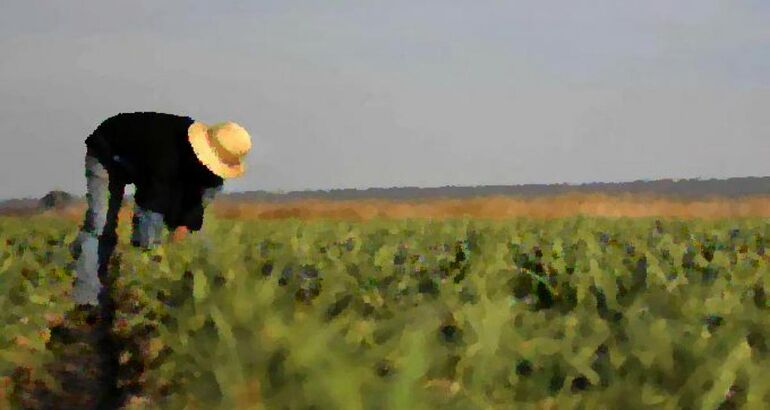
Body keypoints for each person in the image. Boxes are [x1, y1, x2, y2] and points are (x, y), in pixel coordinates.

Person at [68, 112, 252, 309]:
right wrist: (149, 257)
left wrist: (184, 225)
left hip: (146, 165)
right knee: (101, 224)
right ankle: (86, 299)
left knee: (190, 231)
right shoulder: (166, 153)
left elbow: (194, 206)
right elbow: (150, 208)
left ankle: (182, 296)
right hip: (109, 151)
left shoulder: (209, 177)